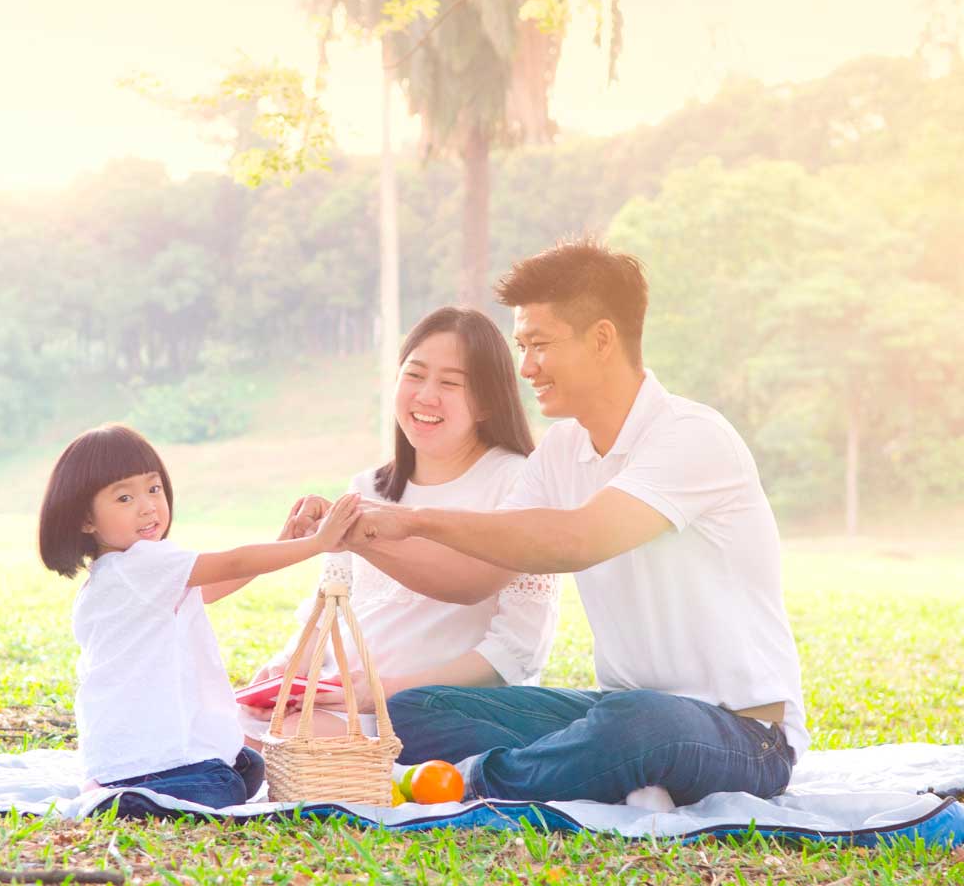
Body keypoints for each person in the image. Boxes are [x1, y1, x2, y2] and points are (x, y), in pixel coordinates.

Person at [303, 240, 807, 808]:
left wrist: (415, 520)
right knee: (418, 711)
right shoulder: (561, 452)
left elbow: (577, 540)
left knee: (637, 723)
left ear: (601, 339)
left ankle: (476, 783)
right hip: (616, 707)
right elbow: (475, 576)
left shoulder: (692, 436)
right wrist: (364, 535)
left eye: (539, 345)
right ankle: (602, 773)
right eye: (521, 346)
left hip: (745, 734)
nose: (525, 368)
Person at [245, 307, 559, 741]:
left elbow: (517, 651)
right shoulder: (367, 486)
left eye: (450, 383)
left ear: (488, 400)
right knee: (220, 725)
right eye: (414, 375)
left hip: (434, 712)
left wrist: (384, 692)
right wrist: (287, 668)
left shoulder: (518, 483)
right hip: (340, 699)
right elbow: (328, 610)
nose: (426, 396)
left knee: (291, 743)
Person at [38, 423, 360, 815]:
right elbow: (234, 561)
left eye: (153, 489)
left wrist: (286, 540)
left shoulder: (122, 571)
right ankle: (120, 797)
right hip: (143, 756)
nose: (147, 506)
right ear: (86, 520)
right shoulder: (140, 564)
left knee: (247, 766)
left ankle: (121, 785)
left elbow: (217, 584)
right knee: (223, 787)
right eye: (124, 497)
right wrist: (315, 545)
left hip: (139, 745)